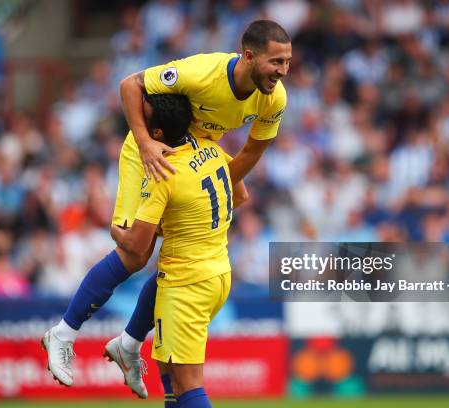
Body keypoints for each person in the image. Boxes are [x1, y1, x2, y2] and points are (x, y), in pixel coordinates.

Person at [42, 19, 292, 397]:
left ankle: (127, 344)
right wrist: (144, 143)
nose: (283, 71)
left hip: (197, 154)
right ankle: (63, 333)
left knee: (181, 254)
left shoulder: (274, 98)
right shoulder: (201, 73)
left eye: (287, 62)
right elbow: (130, 85)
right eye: (276, 61)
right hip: (154, 151)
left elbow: (253, 150)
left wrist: (212, 186)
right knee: (134, 252)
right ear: (248, 56)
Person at [108, 92, 234, 408]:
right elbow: (241, 192)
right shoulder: (211, 150)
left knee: (188, 385)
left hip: (185, 282)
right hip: (218, 272)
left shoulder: (163, 172)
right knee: (169, 375)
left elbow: (137, 246)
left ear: (157, 134)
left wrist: (116, 232)